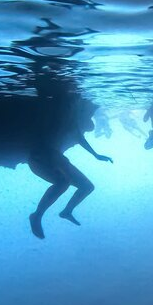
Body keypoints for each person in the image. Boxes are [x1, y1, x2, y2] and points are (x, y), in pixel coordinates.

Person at [28, 88, 113, 239]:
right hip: (40, 157)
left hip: (57, 157)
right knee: (63, 182)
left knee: (87, 186)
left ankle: (67, 211)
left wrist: (96, 155)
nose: (73, 105)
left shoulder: (71, 120)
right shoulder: (52, 115)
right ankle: (37, 215)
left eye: (74, 103)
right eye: (71, 102)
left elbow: (80, 138)